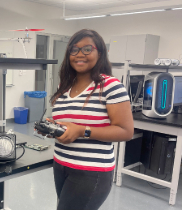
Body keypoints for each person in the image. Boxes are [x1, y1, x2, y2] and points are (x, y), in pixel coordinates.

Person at [39, 29, 134, 210]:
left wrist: (83, 130)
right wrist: (53, 128)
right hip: (61, 163)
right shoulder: (64, 86)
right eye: (74, 50)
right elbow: (69, 123)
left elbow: (126, 131)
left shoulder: (110, 86)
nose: (79, 55)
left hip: (91, 171)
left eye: (87, 49)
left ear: (100, 52)